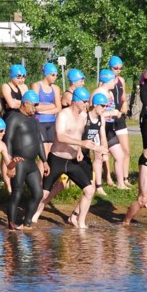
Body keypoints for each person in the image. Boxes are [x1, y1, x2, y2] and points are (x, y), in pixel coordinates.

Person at [32, 86, 102, 229]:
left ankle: (80, 222)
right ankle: (34, 212)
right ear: (75, 101)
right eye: (84, 101)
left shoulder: (83, 116)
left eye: (87, 102)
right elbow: (60, 136)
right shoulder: (63, 114)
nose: (86, 104)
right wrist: (81, 143)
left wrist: (80, 149)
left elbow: (80, 135)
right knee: (44, 193)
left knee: (89, 190)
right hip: (57, 159)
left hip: (73, 160)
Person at [4, 90, 48, 229]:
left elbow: (39, 142)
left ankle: (27, 222)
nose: (35, 108)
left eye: (37, 105)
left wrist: (44, 160)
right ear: (25, 103)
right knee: (17, 192)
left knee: (38, 193)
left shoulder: (33, 120)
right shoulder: (14, 118)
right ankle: (11, 223)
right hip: (19, 162)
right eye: (33, 105)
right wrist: (10, 164)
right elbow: (8, 140)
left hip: (31, 163)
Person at [108, 56, 132, 184]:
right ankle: (109, 178)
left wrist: (125, 104)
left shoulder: (121, 81)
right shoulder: (105, 81)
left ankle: (125, 178)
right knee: (107, 152)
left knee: (126, 150)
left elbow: (123, 97)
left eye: (120, 68)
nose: (117, 70)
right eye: (115, 68)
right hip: (109, 118)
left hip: (120, 118)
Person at [32, 62, 62, 157]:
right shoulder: (36, 85)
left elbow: (59, 107)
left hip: (52, 122)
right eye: (53, 75)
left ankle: (47, 172)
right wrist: (52, 105)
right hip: (40, 122)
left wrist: (43, 110)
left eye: (57, 75)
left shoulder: (56, 88)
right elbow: (35, 106)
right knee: (43, 155)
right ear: (46, 74)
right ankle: (39, 172)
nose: (55, 77)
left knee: (50, 155)